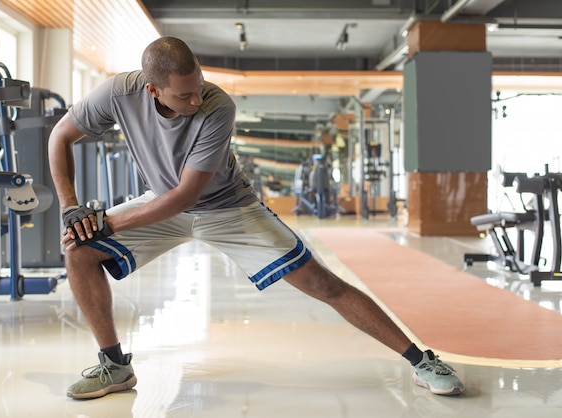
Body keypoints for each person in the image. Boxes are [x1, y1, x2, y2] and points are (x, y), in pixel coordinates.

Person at [48, 37, 464, 400]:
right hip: (161, 202)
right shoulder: (118, 92)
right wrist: (71, 208)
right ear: (152, 88)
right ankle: (115, 367)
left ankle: (422, 361)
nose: (196, 101)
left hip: (228, 208)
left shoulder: (217, 106)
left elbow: (188, 195)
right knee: (79, 250)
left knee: (322, 282)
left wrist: (109, 223)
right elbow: (60, 136)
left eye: (199, 88)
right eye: (184, 96)